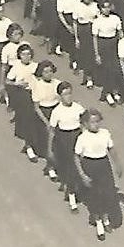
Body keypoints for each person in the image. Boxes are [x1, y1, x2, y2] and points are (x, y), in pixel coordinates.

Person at [74, 109, 123, 240]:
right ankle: (99, 222)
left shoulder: (105, 133)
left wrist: (117, 164)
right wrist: (82, 174)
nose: (95, 124)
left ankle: (106, 217)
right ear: (86, 123)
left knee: (107, 193)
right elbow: (77, 157)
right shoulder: (82, 138)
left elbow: (111, 149)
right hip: (90, 166)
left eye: (97, 121)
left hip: (103, 165)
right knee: (95, 196)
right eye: (92, 122)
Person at [48, 81, 86, 212]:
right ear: (60, 96)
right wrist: (49, 149)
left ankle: (79, 189)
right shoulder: (57, 111)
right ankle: (72, 198)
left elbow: (84, 125)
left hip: (77, 137)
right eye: (65, 94)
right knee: (70, 169)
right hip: (64, 140)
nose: (68, 97)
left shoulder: (78, 108)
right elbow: (52, 131)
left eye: (70, 93)